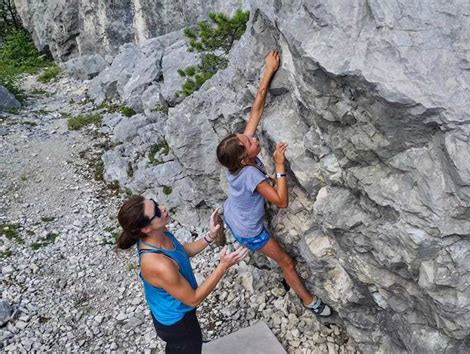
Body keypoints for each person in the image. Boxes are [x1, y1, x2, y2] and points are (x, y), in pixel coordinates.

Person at [216, 50, 332, 317]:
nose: (253, 138)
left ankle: (228, 235)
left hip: (233, 211)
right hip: (248, 230)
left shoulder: (236, 159)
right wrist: (279, 164)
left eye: (247, 137)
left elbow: (257, 106)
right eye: (251, 143)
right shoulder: (252, 176)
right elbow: (281, 201)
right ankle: (310, 302)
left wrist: (268, 70)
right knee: (287, 262)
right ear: (245, 159)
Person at [117, 195, 249, 354]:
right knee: (189, 345)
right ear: (145, 228)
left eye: (156, 204)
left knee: (182, 347)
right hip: (177, 323)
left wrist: (210, 236)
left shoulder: (159, 232)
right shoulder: (157, 264)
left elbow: (181, 251)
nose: (163, 208)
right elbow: (193, 299)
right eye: (157, 212)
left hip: (173, 313)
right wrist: (223, 266)